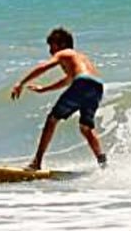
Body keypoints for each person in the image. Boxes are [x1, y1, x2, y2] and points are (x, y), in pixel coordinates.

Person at [11, 27, 107, 170]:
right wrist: (45, 89)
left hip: (82, 83)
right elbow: (68, 80)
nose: (50, 51)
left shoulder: (64, 53)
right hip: (97, 87)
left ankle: (37, 162)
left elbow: (44, 67)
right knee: (86, 128)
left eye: (52, 46)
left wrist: (21, 82)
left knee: (52, 119)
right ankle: (103, 163)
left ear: (61, 44)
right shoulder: (79, 58)